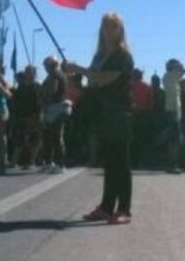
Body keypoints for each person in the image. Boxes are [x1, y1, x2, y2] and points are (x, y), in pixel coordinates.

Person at [65, 13, 135, 225]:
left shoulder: (123, 57)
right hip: (102, 115)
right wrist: (70, 76)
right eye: (105, 27)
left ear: (120, 31)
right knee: (110, 163)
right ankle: (106, 207)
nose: (109, 31)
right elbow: (91, 86)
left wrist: (78, 69)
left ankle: (124, 209)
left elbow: (104, 79)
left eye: (113, 27)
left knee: (121, 163)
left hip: (120, 114)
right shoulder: (98, 57)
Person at [41, 55, 70, 173]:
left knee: (55, 136)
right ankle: (50, 162)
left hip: (55, 109)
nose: (45, 68)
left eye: (46, 65)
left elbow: (52, 90)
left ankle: (59, 164)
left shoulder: (55, 75)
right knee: (50, 136)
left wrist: (44, 98)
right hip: (58, 108)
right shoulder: (61, 74)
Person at [12, 66, 42, 170]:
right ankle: (14, 161)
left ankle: (32, 162)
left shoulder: (37, 86)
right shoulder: (21, 87)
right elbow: (15, 100)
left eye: (29, 72)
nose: (27, 74)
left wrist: (38, 115)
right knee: (19, 139)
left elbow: (40, 101)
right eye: (26, 72)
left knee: (34, 140)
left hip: (33, 117)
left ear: (34, 73)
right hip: (21, 116)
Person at [162, 58, 185, 173]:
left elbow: (181, 74)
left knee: (174, 139)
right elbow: (183, 71)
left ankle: (172, 164)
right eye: (176, 66)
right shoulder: (169, 76)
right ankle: (172, 164)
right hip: (172, 111)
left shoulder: (171, 77)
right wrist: (180, 66)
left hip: (174, 111)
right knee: (174, 140)